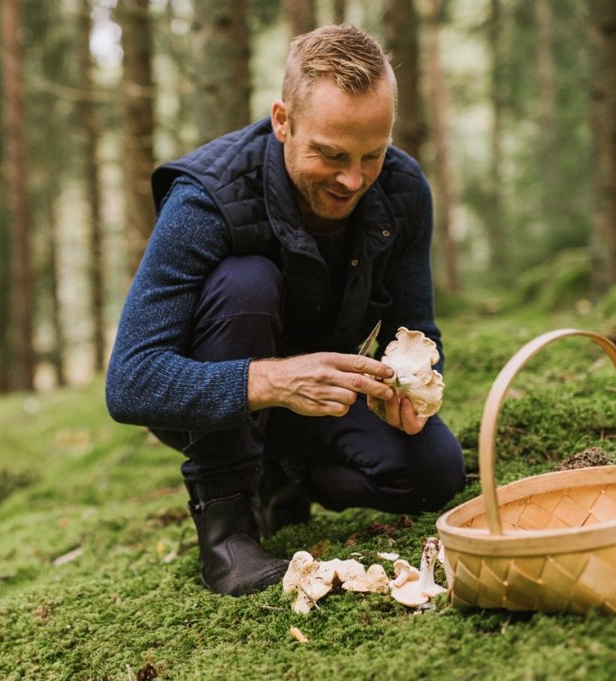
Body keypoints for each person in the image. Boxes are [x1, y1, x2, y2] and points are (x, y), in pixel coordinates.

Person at [105, 25, 465, 597]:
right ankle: (227, 531)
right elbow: (129, 382)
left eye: (371, 154)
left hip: (321, 398)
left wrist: (404, 393)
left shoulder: (401, 189)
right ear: (283, 121)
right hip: (216, 396)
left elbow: (419, 329)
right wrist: (270, 379)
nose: (353, 179)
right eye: (330, 154)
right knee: (246, 282)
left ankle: (281, 478)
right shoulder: (206, 197)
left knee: (435, 472)